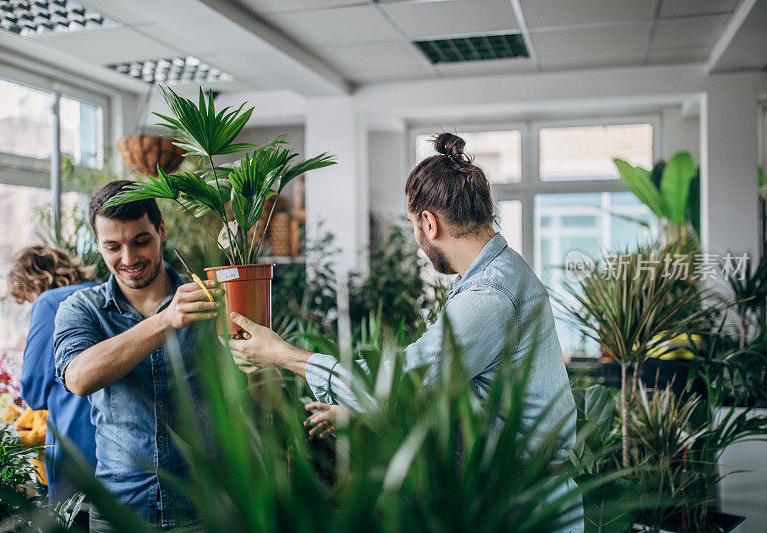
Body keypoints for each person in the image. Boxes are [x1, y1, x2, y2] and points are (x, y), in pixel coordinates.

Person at [226, 132, 583, 532]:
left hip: (523, 509)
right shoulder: (500, 274)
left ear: (428, 223)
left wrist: (280, 354)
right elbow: (451, 389)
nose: (417, 241)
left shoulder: (488, 298)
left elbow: (398, 379)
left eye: (414, 225)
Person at [53, 180, 223, 530]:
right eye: (113, 246)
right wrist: (165, 321)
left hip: (204, 506)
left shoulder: (208, 300)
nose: (129, 259)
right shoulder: (82, 309)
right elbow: (79, 378)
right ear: (97, 244)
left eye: (140, 241)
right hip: (118, 511)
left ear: (161, 230)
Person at [9, 245, 98, 506]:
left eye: (25, 296)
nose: (28, 303)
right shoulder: (102, 290)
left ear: (32, 281)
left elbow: (33, 389)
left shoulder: (49, 303)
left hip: (76, 445)